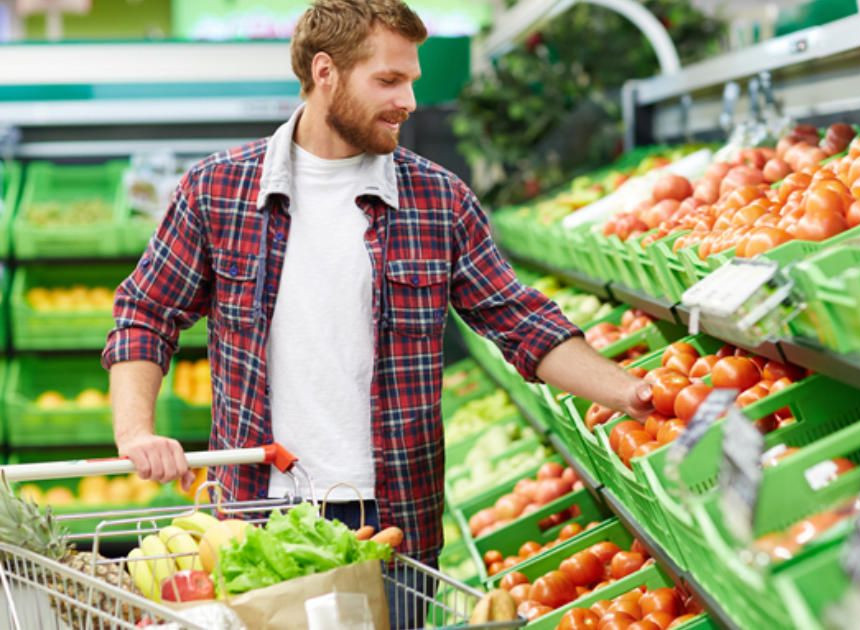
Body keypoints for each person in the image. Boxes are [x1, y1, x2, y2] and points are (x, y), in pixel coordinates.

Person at [102, 0, 652, 623]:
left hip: (392, 525)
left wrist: (631, 394)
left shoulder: (438, 200)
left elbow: (522, 324)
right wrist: (136, 432)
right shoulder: (219, 189)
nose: (409, 100)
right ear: (326, 72)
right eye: (388, 80)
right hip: (256, 516)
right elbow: (146, 312)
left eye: (411, 80)